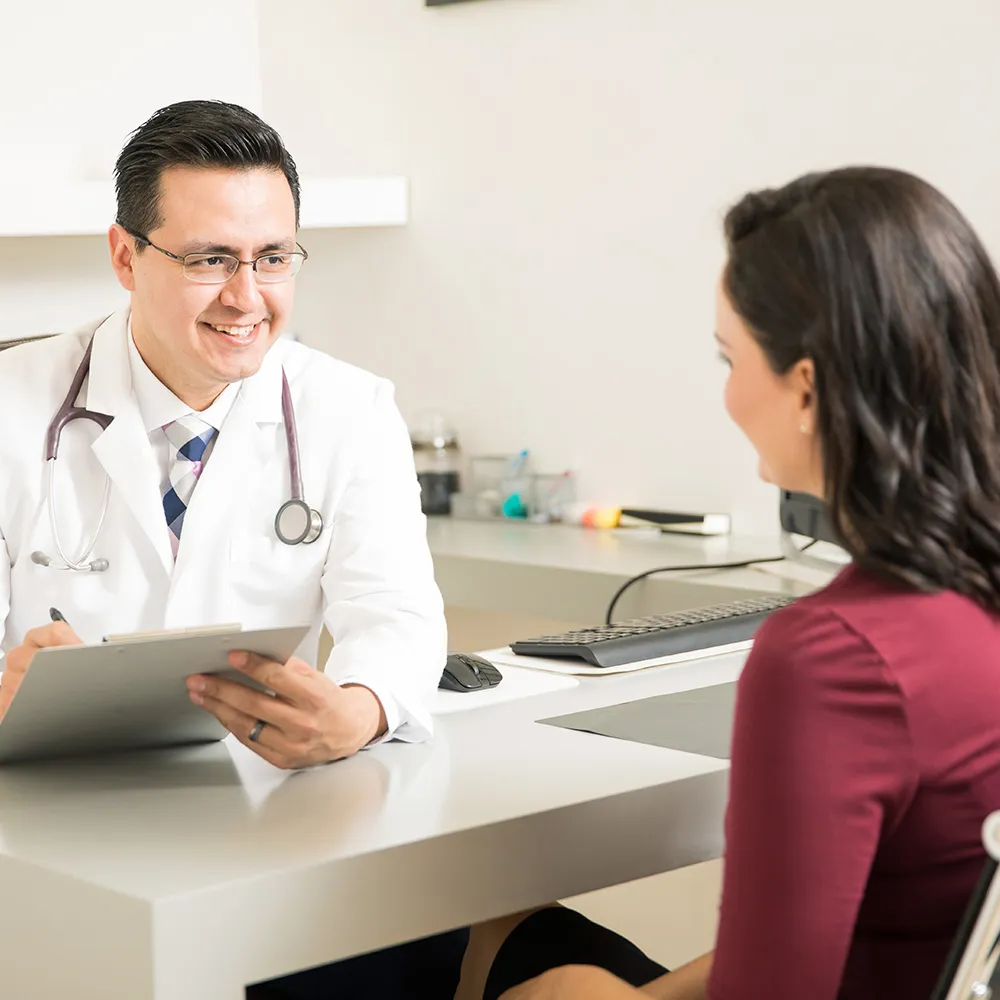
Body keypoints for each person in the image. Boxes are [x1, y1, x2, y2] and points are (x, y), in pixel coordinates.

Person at [455, 166, 1000, 1000]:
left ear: (808, 388)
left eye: (730, 357)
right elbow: (853, 920)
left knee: (529, 967)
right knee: (509, 936)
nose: (729, 394)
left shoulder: (834, 659)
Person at [0, 99, 466, 999]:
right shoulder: (9, 404)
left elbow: (398, 614)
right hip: (51, 831)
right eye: (211, 259)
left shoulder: (350, 408)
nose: (247, 297)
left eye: (273, 258)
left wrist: (361, 709)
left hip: (265, 823)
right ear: (126, 257)